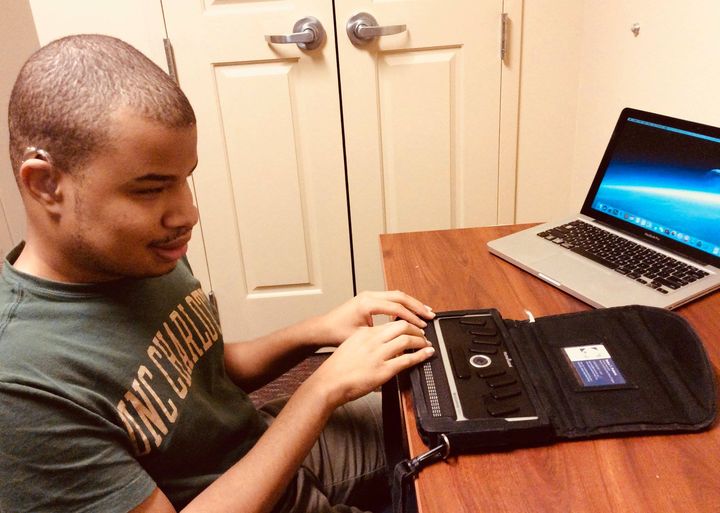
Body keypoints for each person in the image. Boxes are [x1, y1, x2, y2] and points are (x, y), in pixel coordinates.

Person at [0, 34, 436, 513]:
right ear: (45, 184)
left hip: (270, 447)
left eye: (185, 178)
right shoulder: (21, 388)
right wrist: (322, 389)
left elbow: (205, 372)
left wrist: (317, 331)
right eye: (150, 190)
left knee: (466, 412)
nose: (187, 214)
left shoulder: (138, 252)